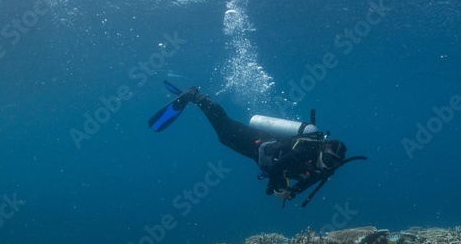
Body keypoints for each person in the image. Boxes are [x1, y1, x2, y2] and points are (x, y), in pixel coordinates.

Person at [148, 81, 365, 207]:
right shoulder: (308, 149)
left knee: (224, 137)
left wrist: (292, 192)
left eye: (333, 164)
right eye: (327, 160)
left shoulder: (326, 169)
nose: (327, 165)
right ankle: (197, 96)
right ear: (323, 150)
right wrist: (278, 186)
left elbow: (309, 183)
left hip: (261, 154)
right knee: (225, 130)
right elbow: (277, 168)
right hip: (261, 143)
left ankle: (199, 100)